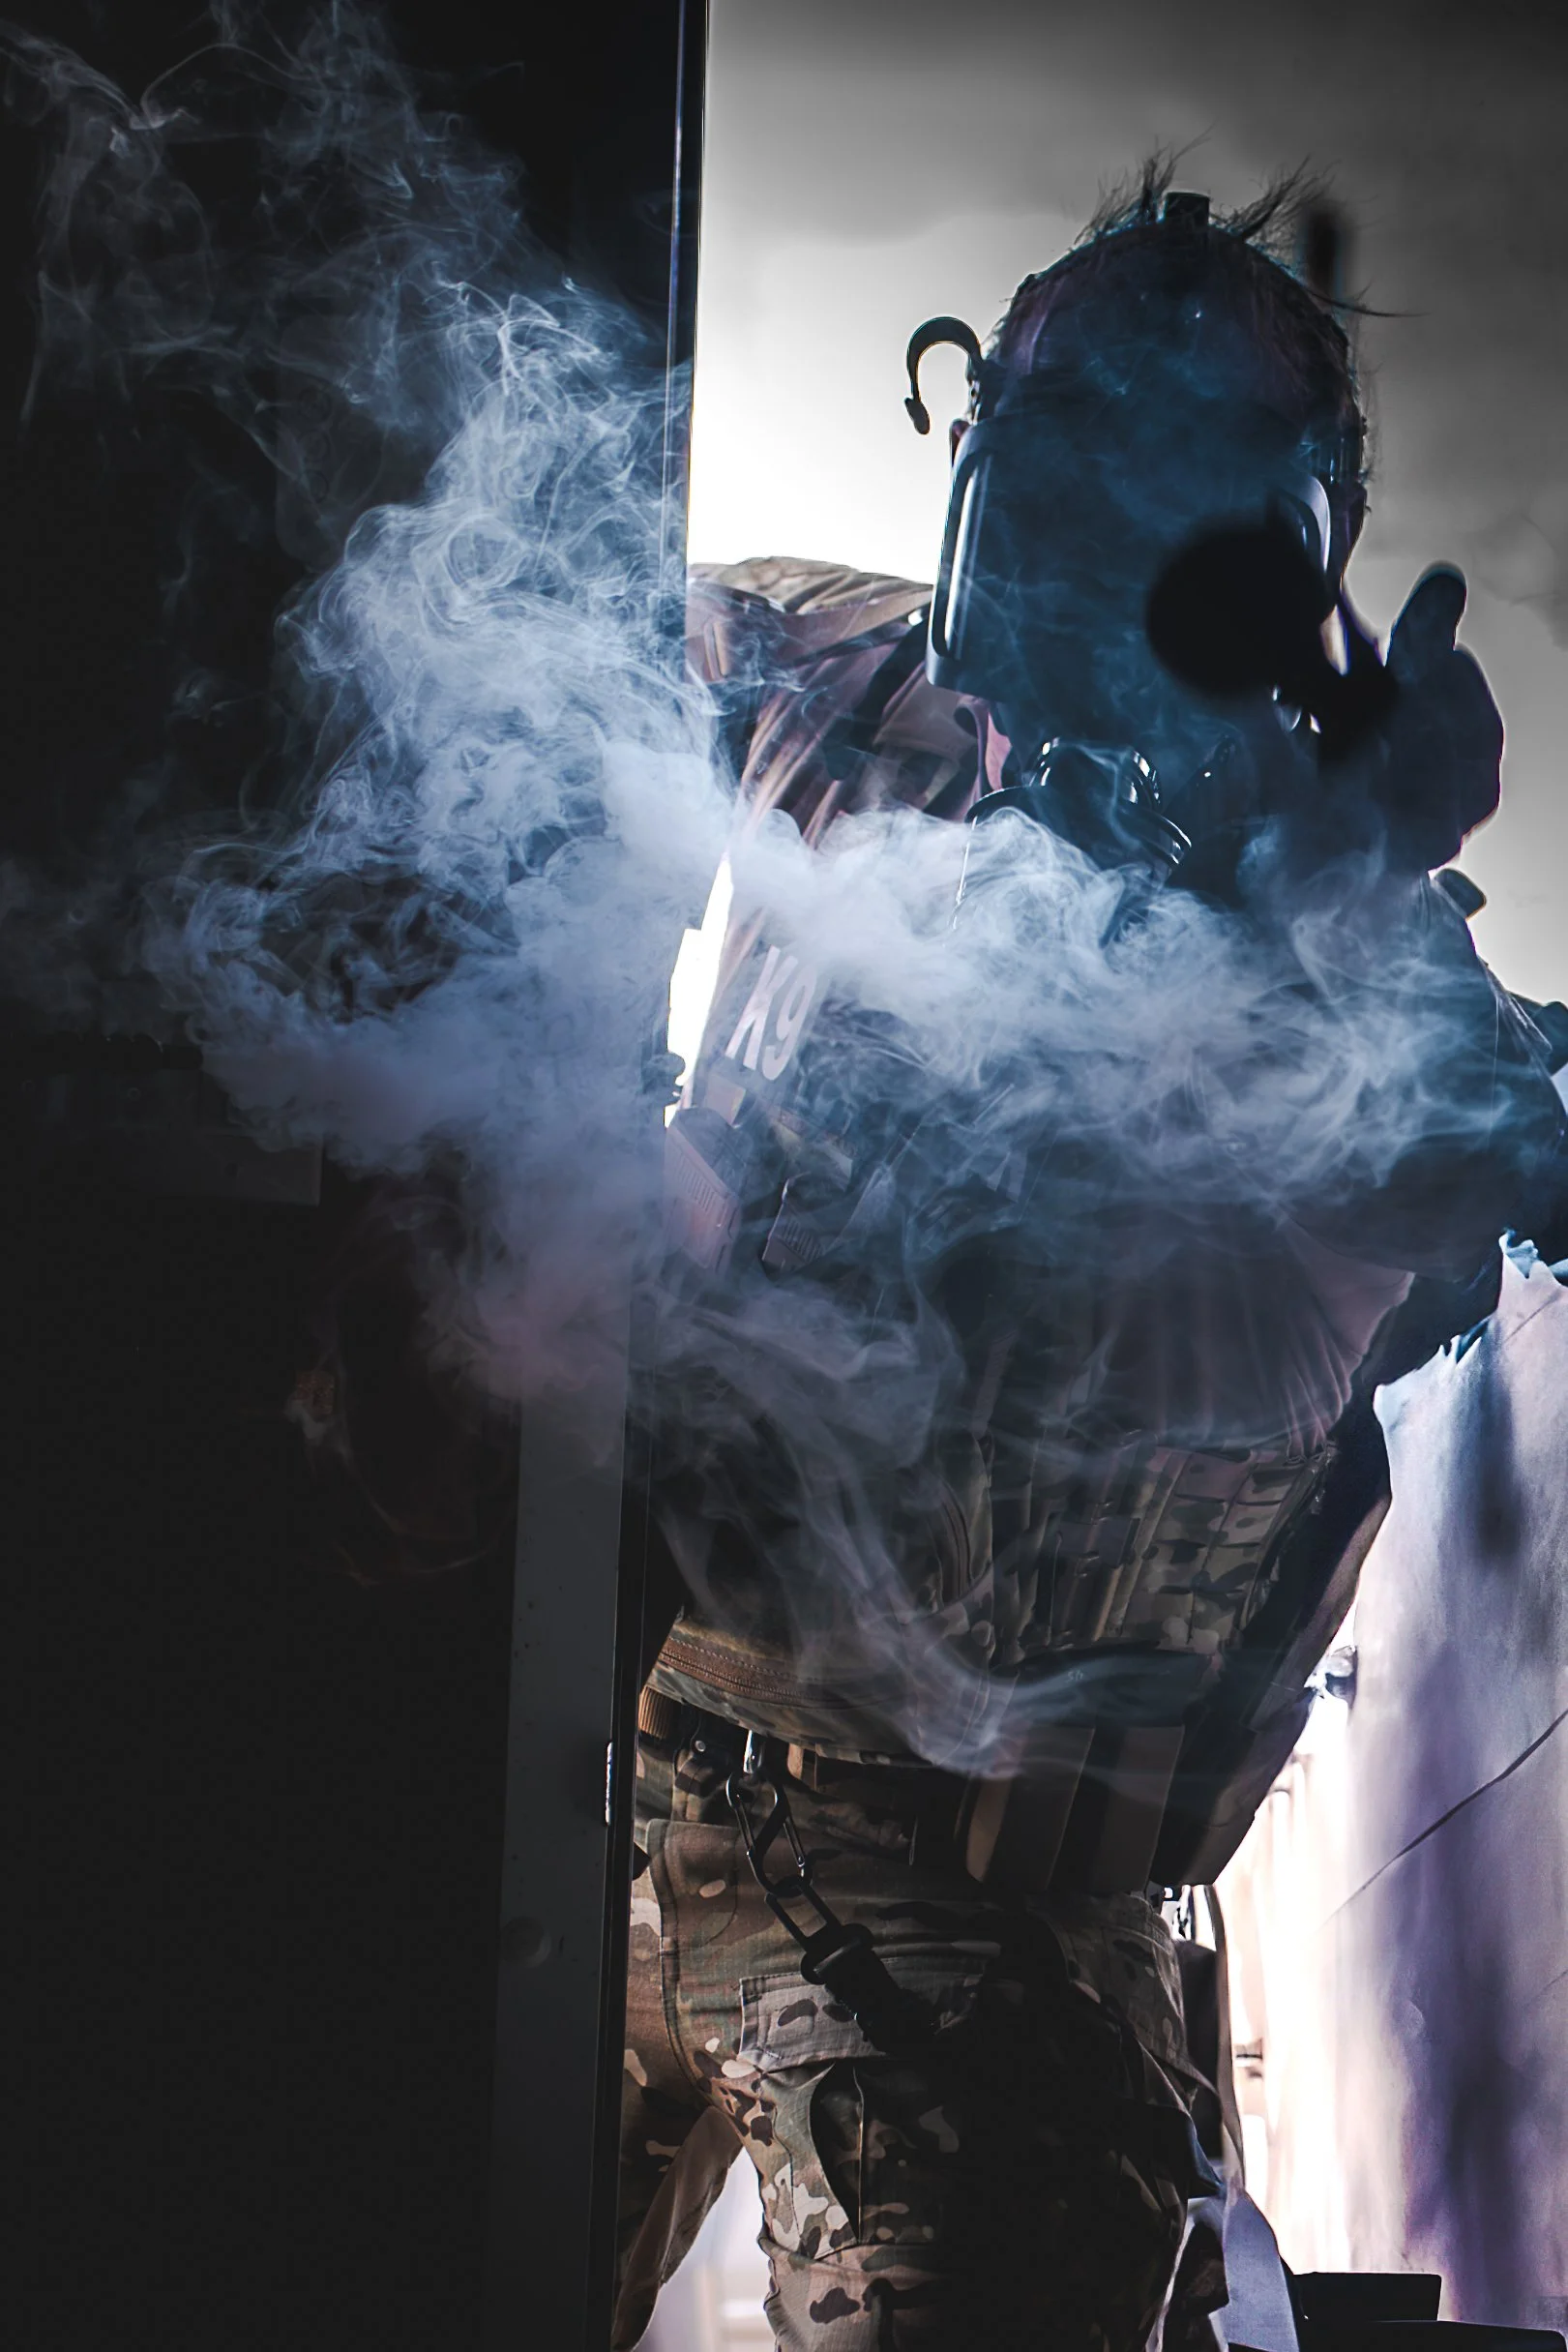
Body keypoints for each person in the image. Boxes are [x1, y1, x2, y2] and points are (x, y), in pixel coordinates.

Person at [614, 169, 1568, 2351]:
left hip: (957, 1900)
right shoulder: (834, 682)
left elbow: (1503, 1156)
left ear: (1297, 557)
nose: (1102, 540)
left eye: (1182, 483)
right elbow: (540, 681)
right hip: (619, 1718)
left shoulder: (1345, 928)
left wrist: (1351, 895)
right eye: (1065, 458)